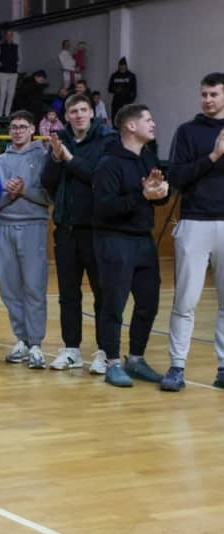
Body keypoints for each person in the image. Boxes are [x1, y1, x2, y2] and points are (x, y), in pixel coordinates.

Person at [91, 104, 169, 387]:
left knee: (149, 302)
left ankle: (136, 359)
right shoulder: (108, 163)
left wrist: (161, 193)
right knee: (114, 304)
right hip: (114, 239)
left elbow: (152, 195)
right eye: (148, 119)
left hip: (143, 239)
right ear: (131, 126)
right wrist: (143, 195)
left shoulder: (148, 157)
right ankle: (112, 362)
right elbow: (105, 207)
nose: (153, 123)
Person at [40, 93, 116, 373]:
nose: (79, 115)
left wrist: (69, 159)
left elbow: (99, 177)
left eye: (83, 110)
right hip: (66, 229)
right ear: (67, 117)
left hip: (97, 229)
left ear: (92, 113)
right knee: (68, 294)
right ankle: (71, 348)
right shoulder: (60, 140)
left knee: (102, 293)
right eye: (74, 111)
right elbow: (46, 181)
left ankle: (105, 351)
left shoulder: (107, 140)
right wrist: (56, 158)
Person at [162, 73, 224, 392]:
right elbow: (177, 177)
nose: (207, 100)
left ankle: (223, 367)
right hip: (194, 221)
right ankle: (177, 366)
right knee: (185, 300)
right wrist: (213, 156)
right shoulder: (187, 131)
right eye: (204, 94)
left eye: (214, 94)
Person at [0, 111, 50, 368]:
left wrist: (24, 190)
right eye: (14, 127)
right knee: (9, 288)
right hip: (5, 226)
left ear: (32, 129)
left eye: (23, 127)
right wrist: (10, 195)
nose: (18, 131)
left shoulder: (44, 158)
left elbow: (49, 198)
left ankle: (36, 343)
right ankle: (22, 340)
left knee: (34, 287)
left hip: (33, 226)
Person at [0, 30, 18, 117]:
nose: (9, 37)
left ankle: (7, 113)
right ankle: (0, 112)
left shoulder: (16, 47)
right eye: (8, 35)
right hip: (3, 72)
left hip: (13, 73)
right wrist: (0, 64)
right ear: (5, 36)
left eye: (11, 35)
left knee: (11, 93)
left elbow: (20, 58)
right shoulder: (0, 46)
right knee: (2, 92)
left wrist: (16, 65)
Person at [108, 57, 136, 124]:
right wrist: (116, 89)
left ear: (126, 66)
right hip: (116, 102)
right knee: (115, 120)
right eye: (121, 66)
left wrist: (129, 102)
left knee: (126, 121)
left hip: (127, 103)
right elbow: (109, 89)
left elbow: (134, 90)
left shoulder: (131, 76)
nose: (122, 67)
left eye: (123, 66)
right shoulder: (114, 76)